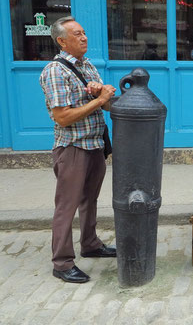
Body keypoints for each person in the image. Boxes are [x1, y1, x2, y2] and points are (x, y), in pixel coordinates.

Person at [39, 17, 117, 283]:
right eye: (77, 34)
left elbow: (108, 104)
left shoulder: (88, 66)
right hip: (72, 148)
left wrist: (102, 93)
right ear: (62, 41)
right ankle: (61, 262)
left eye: (84, 32)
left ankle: (90, 244)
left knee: (89, 199)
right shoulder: (55, 71)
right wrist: (100, 100)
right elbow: (62, 116)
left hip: (94, 145)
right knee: (66, 206)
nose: (84, 37)